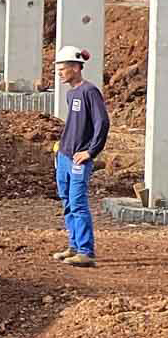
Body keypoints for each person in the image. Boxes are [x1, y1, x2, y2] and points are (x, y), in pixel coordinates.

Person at [51, 45, 110, 268]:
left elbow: (102, 123)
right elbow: (75, 125)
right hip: (64, 156)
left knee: (78, 202)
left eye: (62, 69)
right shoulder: (71, 94)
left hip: (79, 158)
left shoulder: (89, 91)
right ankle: (74, 246)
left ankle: (86, 251)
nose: (59, 73)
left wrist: (91, 151)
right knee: (67, 201)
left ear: (76, 68)